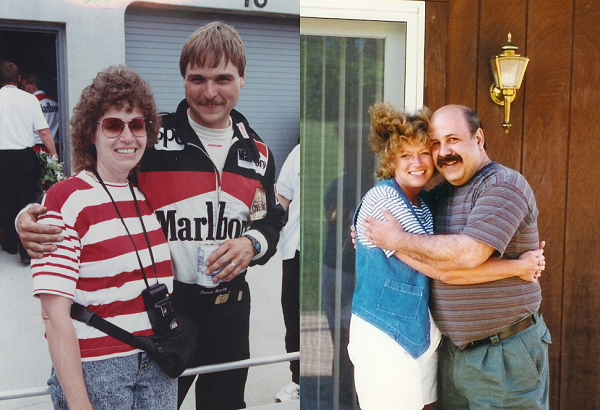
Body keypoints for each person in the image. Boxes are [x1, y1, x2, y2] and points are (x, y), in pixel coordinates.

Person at [18, 22, 285, 410]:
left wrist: (252, 242)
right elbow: (94, 182)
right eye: (198, 79)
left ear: (242, 78)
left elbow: (270, 220)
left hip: (230, 308)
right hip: (164, 308)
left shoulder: (258, 153)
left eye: (222, 78)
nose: (209, 92)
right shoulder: (149, 138)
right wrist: (28, 214)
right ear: (183, 80)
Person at [351, 102, 545, 410]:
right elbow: (430, 261)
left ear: (478, 138)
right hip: (449, 351)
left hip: (502, 351)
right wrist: (517, 266)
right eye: (436, 144)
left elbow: (462, 259)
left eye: (452, 140)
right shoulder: (438, 195)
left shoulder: (503, 185)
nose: (443, 152)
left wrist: (395, 240)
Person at [31, 65, 176, 409]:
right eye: (113, 124)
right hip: (98, 369)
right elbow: (54, 315)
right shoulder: (67, 198)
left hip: (156, 360)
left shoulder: (142, 197)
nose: (128, 136)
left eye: (137, 124)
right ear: (90, 133)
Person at [0, 61, 57, 265]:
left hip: (1, 156)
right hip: (24, 156)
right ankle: (26, 251)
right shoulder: (30, 99)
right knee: (25, 201)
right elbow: (43, 131)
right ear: (18, 79)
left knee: (3, 200)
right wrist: (54, 156)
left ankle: (8, 244)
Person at [275, 142, 300, 403]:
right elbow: (282, 199)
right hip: (296, 250)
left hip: (333, 254)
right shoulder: (299, 153)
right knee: (293, 319)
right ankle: (297, 380)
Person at [20, 71, 60, 153]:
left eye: (23, 86)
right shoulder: (55, 102)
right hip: (54, 148)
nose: (21, 89)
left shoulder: (29, 103)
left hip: (36, 148)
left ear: (33, 85)